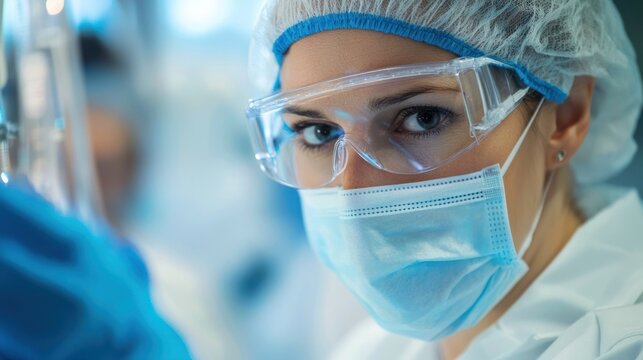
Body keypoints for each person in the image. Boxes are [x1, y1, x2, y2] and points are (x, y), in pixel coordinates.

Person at [245, 0, 643, 359]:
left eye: (423, 118)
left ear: (568, 115)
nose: (353, 190)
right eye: (318, 132)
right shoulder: (369, 350)